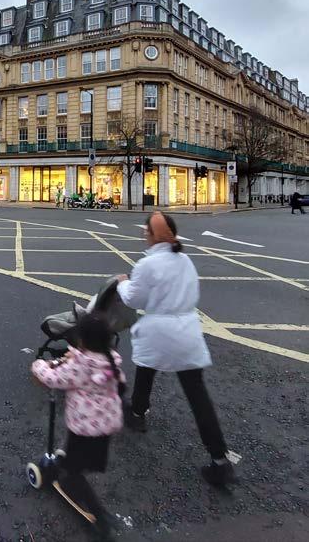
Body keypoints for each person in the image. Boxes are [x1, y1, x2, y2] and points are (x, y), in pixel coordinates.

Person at [116, 211, 235, 487]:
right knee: (197, 395)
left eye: (146, 229)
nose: (143, 233)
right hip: (187, 330)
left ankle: (137, 414)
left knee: (146, 370)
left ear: (155, 235)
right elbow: (194, 292)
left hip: (160, 329)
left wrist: (123, 282)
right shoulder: (185, 260)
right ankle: (220, 460)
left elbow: (134, 299)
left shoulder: (147, 264)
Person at [31, 312, 125, 541]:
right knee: (84, 459)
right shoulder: (110, 360)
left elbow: (54, 379)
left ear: (82, 340)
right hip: (105, 427)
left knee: (74, 472)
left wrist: (40, 365)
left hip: (84, 428)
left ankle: (100, 516)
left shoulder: (81, 366)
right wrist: (76, 354)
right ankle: (75, 469)